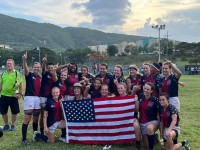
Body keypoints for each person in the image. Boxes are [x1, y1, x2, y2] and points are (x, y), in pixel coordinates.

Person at [21, 52, 41, 145]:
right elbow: (25, 69)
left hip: (37, 99)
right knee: (27, 119)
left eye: (38, 67)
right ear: (33, 67)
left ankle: (35, 135)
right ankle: (24, 139)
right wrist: (24, 60)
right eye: (35, 67)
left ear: (40, 68)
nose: (37, 68)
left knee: (36, 118)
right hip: (29, 98)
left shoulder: (40, 77)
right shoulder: (29, 74)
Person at [0, 59, 23, 131]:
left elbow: (20, 84)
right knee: (3, 112)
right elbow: (0, 85)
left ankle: (13, 125)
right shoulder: (3, 74)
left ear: (13, 64)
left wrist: (20, 93)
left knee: (14, 112)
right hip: (4, 96)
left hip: (13, 96)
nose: (8, 65)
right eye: (7, 63)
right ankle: (6, 125)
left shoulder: (17, 73)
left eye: (10, 63)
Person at [117, 82, 141, 150]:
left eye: (121, 88)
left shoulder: (130, 97)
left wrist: (135, 101)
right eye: (118, 88)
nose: (120, 89)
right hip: (120, 119)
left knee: (136, 125)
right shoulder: (116, 99)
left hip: (131, 117)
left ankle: (138, 143)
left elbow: (136, 110)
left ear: (125, 89)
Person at [136, 82, 160, 150]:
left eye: (148, 89)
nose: (145, 90)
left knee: (149, 128)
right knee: (146, 146)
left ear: (151, 91)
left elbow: (160, 112)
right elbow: (136, 109)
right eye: (145, 88)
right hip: (142, 122)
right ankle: (154, 137)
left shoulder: (155, 100)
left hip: (152, 121)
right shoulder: (140, 96)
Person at [40, 55, 54, 134]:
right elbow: (43, 69)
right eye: (49, 68)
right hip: (43, 97)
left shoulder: (55, 76)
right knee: (43, 115)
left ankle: (48, 130)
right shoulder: (45, 74)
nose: (50, 69)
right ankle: (42, 132)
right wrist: (44, 62)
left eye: (52, 68)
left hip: (50, 97)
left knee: (49, 115)